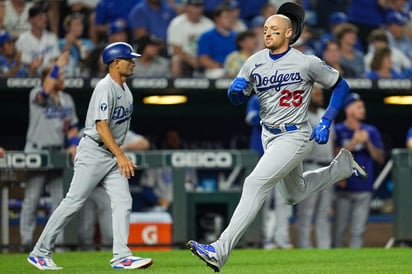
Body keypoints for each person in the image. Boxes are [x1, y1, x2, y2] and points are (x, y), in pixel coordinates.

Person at [186, 3, 368, 272]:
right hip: (268, 135)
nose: (267, 33)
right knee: (293, 195)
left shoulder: (306, 61)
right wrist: (234, 91)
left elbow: (341, 85)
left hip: (294, 135)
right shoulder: (253, 61)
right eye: (265, 29)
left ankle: (219, 250)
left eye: (274, 30)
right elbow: (237, 98)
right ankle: (340, 168)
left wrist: (327, 121)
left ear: (288, 33)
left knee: (254, 183)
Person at [27, 42, 153, 270]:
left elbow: (116, 131)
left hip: (111, 155)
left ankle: (121, 256)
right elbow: (101, 126)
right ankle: (40, 251)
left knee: (123, 201)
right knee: (73, 202)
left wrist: (118, 155)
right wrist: (121, 155)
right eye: (129, 59)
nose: (133, 63)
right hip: (94, 151)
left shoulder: (127, 91)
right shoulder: (105, 87)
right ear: (116, 63)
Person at [20, 51, 79, 253]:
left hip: (57, 153)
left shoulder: (67, 99)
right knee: (32, 199)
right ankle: (26, 243)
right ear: (49, 77)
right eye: (59, 76)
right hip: (36, 150)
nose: (62, 79)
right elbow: (44, 92)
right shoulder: (36, 93)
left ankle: (56, 244)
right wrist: (57, 65)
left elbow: (72, 126)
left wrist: (73, 144)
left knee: (59, 202)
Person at [77, 130, 150, 251]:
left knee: (109, 234)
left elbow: (144, 144)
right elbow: (74, 149)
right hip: (87, 187)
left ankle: (109, 262)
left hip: (105, 188)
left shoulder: (119, 130)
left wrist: (120, 148)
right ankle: (87, 265)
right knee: (84, 233)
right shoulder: (87, 131)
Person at [333, 92, 385, 248]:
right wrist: (353, 143)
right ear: (349, 110)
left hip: (364, 187)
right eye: (359, 107)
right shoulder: (338, 129)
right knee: (339, 231)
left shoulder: (371, 131)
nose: (363, 110)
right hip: (343, 187)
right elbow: (333, 156)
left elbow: (380, 158)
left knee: (358, 231)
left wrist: (368, 142)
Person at [245, 94, 293, 250]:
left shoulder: (285, 96)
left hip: (282, 153)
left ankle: (282, 238)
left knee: (283, 198)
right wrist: (274, 116)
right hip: (261, 153)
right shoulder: (257, 99)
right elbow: (251, 118)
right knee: (263, 199)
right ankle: (266, 238)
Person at [295, 84, 334, 249]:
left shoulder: (325, 114)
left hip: (327, 167)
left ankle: (324, 247)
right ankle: (304, 246)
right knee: (306, 211)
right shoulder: (301, 116)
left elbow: (334, 142)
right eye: (316, 94)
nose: (320, 97)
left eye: (320, 94)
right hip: (309, 166)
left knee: (323, 212)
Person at [166, 0, 214, 77]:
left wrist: (202, 60)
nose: (197, 10)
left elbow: (212, 48)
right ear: (187, 7)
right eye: (194, 7)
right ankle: (176, 88)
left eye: (199, 7)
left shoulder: (209, 24)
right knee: (176, 60)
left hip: (203, 59)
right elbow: (176, 50)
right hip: (185, 59)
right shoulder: (177, 23)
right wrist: (192, 61)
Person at [15, 5, 61, 77]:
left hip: (49, 75)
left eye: (45, 17)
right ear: (31, 20)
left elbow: (55, 59)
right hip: (30, 76)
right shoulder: (22, 40)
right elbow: (25, 64)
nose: (44, 19)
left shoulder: (52, 37)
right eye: (40, 17)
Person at [197, 4, 237, 78]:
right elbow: (203, 59)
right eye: (227, 17)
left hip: (235, 70)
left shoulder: (237, 36)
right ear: (217, 19)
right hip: (215, 70)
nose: (230, 20)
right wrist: (223, 68)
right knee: (218, 73)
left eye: (232, 17)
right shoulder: (207, 36)